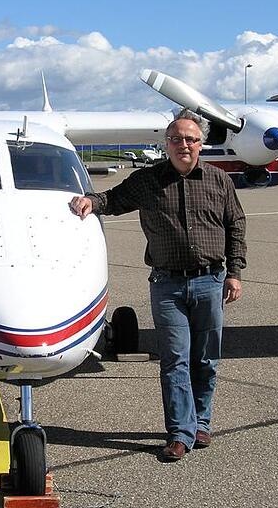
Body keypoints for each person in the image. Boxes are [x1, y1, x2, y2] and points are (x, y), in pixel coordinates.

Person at [69, 109, 246, 462]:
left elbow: (235, 224)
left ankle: (201, 423)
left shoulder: (219, 180)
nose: (185, 145)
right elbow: (113, 199)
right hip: (167, 285)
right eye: (177, 139)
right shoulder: (147, 180)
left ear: (201, 143)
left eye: (191, 139)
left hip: (210, 281)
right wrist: (89, 200)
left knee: (206, 358)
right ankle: (180, 433)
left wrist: (235, 271)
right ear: (167, 143)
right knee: (175, 360)